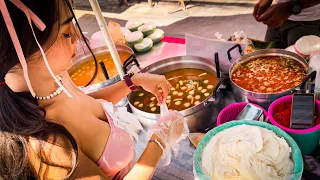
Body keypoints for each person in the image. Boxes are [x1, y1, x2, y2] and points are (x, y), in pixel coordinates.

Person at [0, 0, 187, 179]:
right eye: (66, 32)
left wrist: (133, 82)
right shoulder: (48, 148)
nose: (78, 35)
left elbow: (87, 105)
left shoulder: (57, 78)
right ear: (28, 49)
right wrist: (160, 140)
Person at [253, 0, 320, 48]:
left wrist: (290, 7)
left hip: (308, 22)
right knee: (268, 58)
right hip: (277, 14)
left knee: (299, 63)